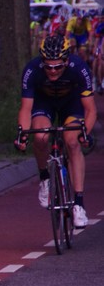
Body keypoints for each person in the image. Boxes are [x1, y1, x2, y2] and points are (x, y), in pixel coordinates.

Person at [15, 34, 96, 228]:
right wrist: (22, 135)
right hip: (44, 103)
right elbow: (26, 109)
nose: (52, 71)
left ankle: (78, 204)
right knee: (40, 136)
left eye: (58, 67)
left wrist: (85, 133)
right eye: (48, 66)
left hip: (72, 104)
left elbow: (90, 110)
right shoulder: (32, 70)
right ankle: (45, 177)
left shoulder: (79, 68)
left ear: (66, 61)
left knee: (72, 141)